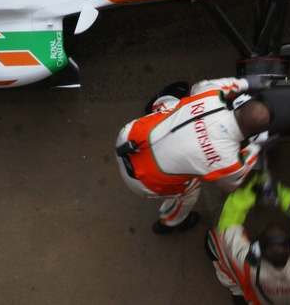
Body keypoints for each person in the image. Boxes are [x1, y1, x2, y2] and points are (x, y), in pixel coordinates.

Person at [115, 77, 272, 234]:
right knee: (191, 187)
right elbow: (231, 184)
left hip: (127, 139)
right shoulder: (230, 163)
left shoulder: (211, 96)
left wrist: (246, 83)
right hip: (140, 182)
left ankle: (159, 100)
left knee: (178, 108)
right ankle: (170, 223)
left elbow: (198, 87)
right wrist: (256, 147)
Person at [206, 176, 290, 305]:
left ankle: (237, 291)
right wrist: (284, 197)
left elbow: (228, 226)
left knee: (214, 238)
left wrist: (250, 194)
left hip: (260, 302)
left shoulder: (248, 261)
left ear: (257, 249)